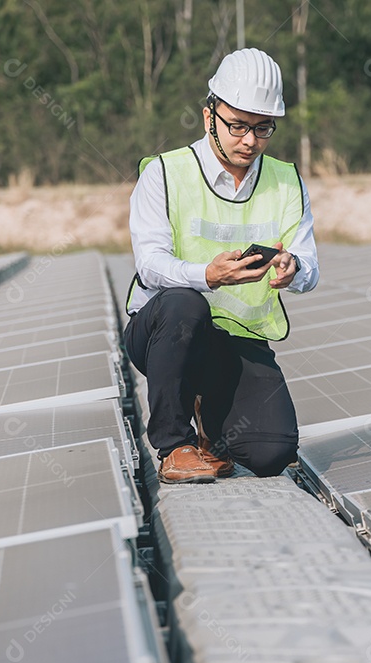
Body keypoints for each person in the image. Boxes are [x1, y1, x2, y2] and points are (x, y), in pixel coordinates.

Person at [124, 47, 320, 484]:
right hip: (164, 333)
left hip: (235, 341)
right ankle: (174, 446)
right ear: (209, 114)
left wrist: (294, 269)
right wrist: (206, 276)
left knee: (271, 453)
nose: (250, 140)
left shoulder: (286, 181)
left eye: (263, 128)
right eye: (238, 125)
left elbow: (310, 267)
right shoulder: (163, 173)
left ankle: (210, 423)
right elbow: (151, 264)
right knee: (183, 303)